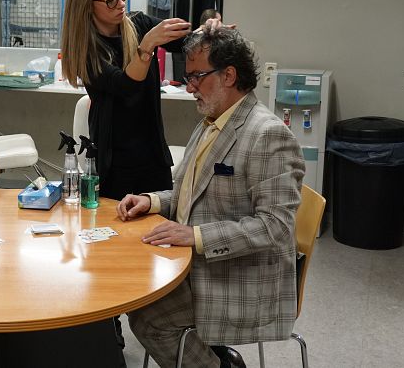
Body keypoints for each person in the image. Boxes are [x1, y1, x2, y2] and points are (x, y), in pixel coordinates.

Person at [116, 27, 305, 368]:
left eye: (197, 77)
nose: (189, 87)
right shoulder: (210, 122)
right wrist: (153, 201)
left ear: (229, 75)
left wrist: (195, 235)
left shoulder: (268, 135)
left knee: (150, 318)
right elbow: (192, 193)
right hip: (208, 263)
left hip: (242, 277)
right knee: (134, 290)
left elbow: (275, 227)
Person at [60, 0, 192, 201]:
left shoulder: (138, 23)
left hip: (153, 154)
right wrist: (147, 46)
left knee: (159, 227)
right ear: (87, 5)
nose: (121, 3)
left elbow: (186, 40)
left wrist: (212, 31)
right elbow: (126, 86)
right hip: (115, 164)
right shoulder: (87, 52)